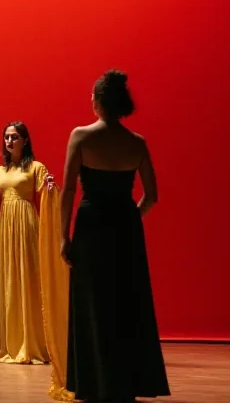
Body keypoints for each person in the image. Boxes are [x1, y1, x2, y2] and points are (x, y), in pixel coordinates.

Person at [60, 69, 170, 401]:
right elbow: (151, 196)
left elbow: (67, 192)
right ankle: (128, 382)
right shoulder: (136, 143)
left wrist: (63, 237)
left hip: (92, 226)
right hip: (125, 228)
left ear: (98, 101)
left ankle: (94, 383)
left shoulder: (81, 136)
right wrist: (130, 217)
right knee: (127, 302)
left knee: (93, 301)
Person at [0, 122, 73, 400]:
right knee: (8, 281)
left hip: (25, 225)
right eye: (6, 137)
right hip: (5, 228)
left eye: (15, 137)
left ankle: (32, 342)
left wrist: (50, 187)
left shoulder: (35, 167)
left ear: (25, 141)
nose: (9, 141)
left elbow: (48, 193)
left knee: (27, 280)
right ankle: (9, 342)